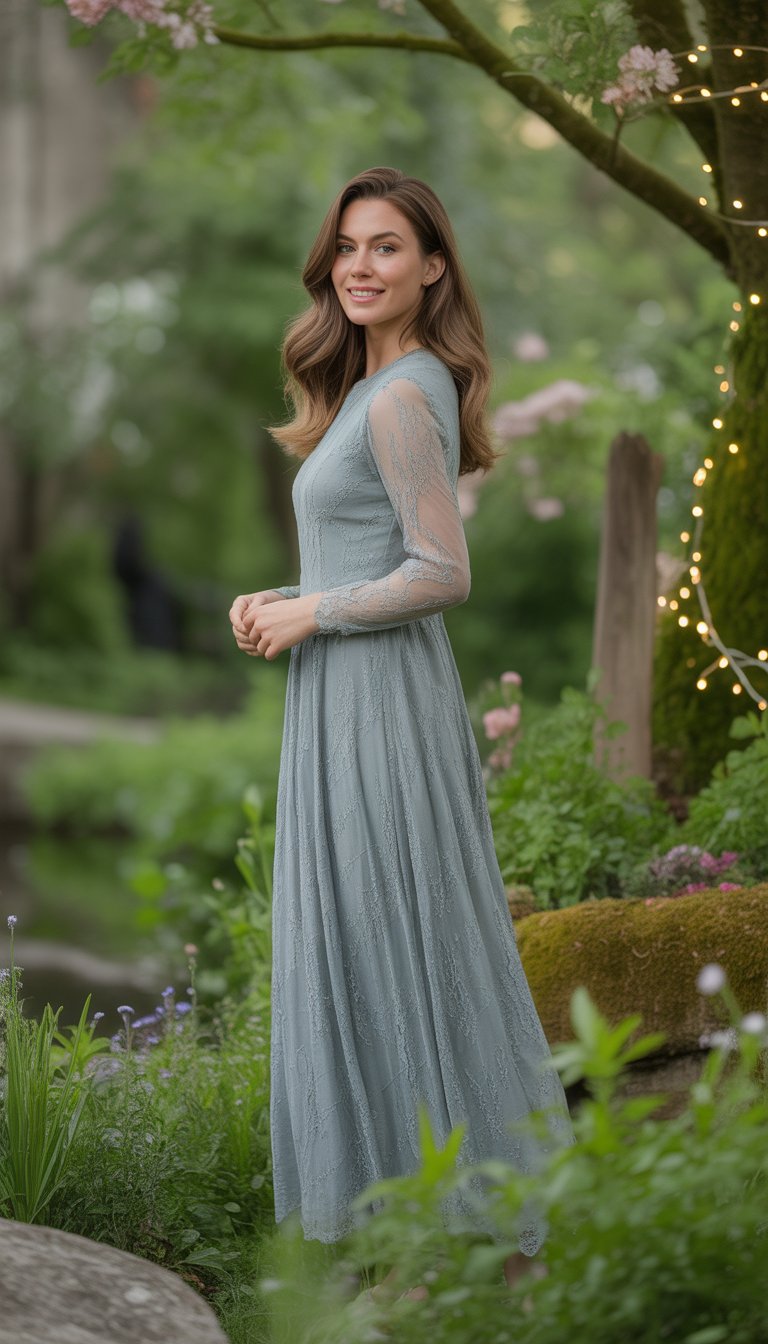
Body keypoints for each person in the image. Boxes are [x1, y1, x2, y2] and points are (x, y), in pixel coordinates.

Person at [229, 166, 575, 1306]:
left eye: (386, 246)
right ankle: (429, 1254)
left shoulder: (398, 397)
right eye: (346, 247)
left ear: (433, 267)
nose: (360, 266)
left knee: (403, 951)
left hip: (378, 709)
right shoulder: (374, 389)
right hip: (346, 696)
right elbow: (369, 560)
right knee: (378, 953)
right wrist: (286, 598)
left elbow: (441, 573)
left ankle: (487, 1256)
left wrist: (313, 612)